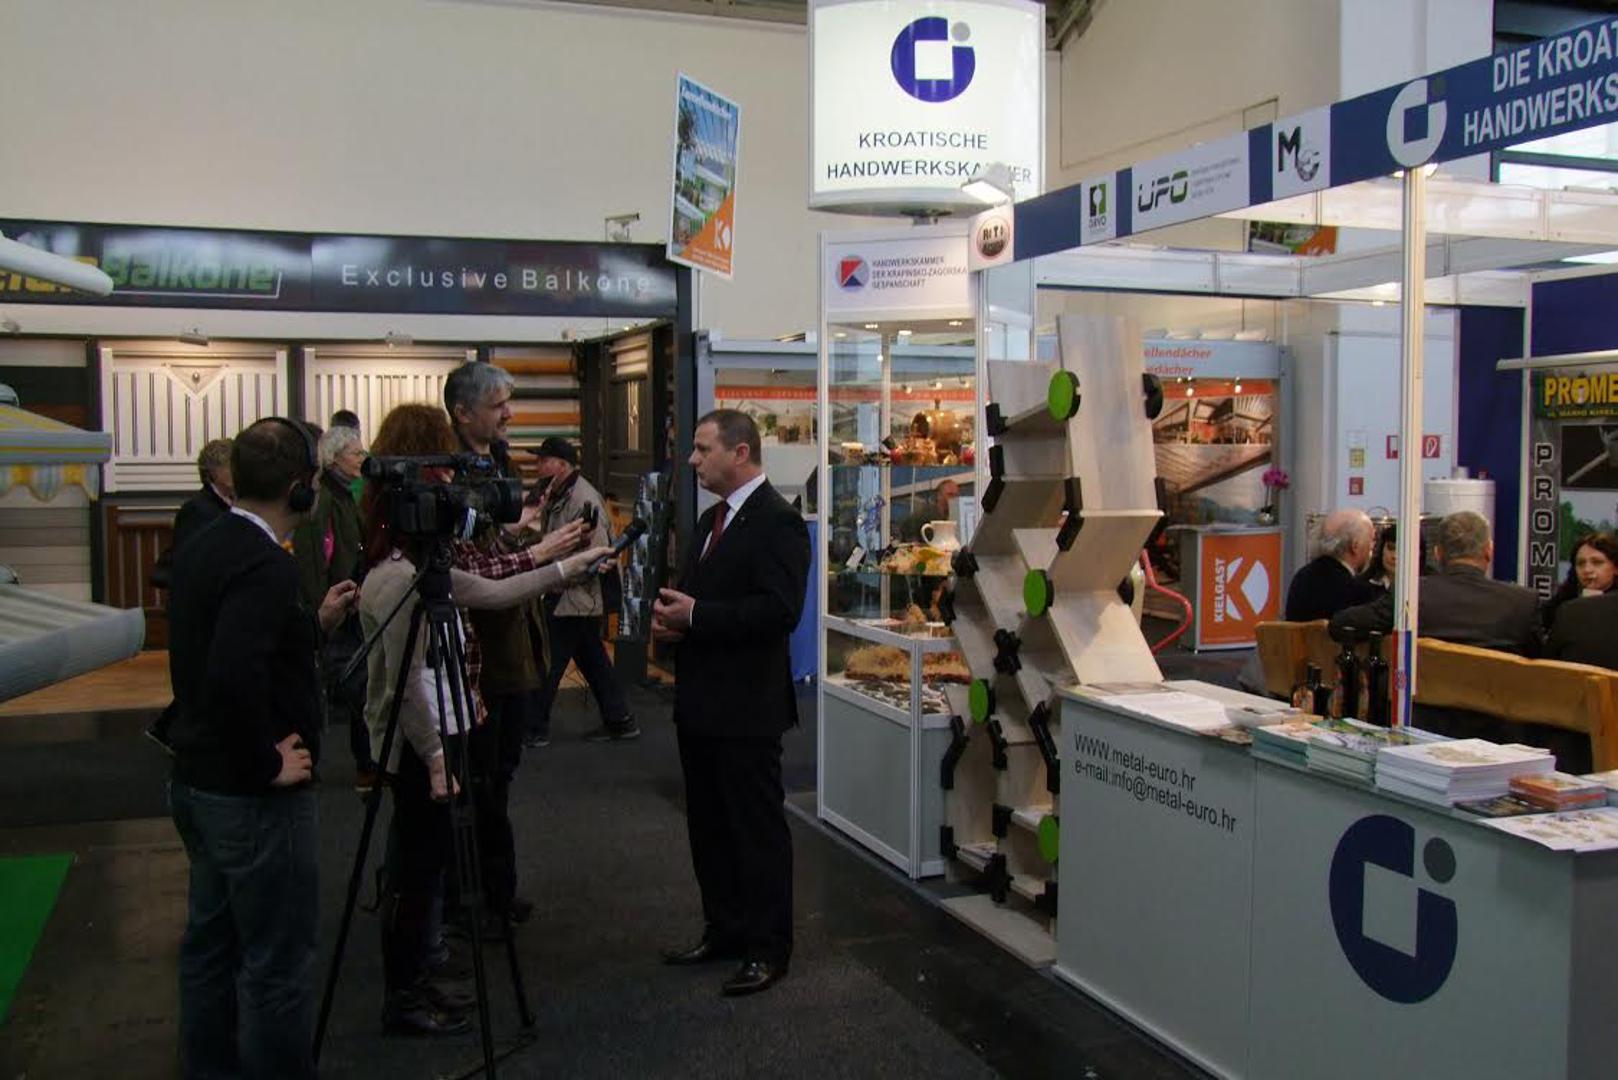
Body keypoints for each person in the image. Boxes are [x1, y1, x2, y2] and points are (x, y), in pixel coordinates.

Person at [359, 403, 606, 1037]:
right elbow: (407, 688)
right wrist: (435, 757)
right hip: (423, 746)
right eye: (440, 472)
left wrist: (565, 567)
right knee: (416, 870)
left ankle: (420, 974)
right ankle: (405, 992)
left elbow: (491, 591)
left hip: (448, 729)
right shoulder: (396, 575)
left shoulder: (422, 564)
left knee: (430, 861)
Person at [165, 417, 360, 1080]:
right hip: (249, 799)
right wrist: (265, 762)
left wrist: (313, 625)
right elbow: (232, 672)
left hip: (198, 781)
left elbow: (233, 646)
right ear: (302, 489)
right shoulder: (265, 565)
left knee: (210, 948)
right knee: (276, 963)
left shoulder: (205, 542)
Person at [653, 409, 810, 997]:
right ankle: (724, 930)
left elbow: (778, 611)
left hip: (747, 709)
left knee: (755, 831)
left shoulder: (779, 522)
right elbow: (704, 601)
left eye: (702, 449)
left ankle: (768, 948)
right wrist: (676, 624)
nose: (692, 460)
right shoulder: (709, 520)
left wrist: (695, 616)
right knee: (710, 828)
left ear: (740, 453)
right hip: (700, 704)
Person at [444, 362, 548, 928]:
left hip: (510, 645)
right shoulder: (451, 474)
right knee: (478, 779)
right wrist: (539, 552)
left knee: (499, 774)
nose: (509, 413)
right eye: (498, 404)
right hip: (476, 654)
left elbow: (491, 547)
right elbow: (471, 565)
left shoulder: (497, 464)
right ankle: (475, 899)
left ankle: (494, 892)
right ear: (463, 413)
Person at [524, 435, 636, 747]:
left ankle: (534, 728)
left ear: (561, 465)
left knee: (548, 661)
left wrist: (556, 578)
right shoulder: (558, 494)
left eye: (543, 460)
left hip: (574, 594)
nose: (537, 466)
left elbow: (597, 555)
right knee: (591, 658)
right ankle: (620, 719)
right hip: (570, 592)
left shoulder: (583, 499)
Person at [292, 424, 375, 791]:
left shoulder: (342, 496)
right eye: (355, 453)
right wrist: (323, 612)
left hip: (348, 603)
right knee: (355, 686)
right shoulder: (324, 501)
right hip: (337, 609)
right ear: (335, 458)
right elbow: (314, 562)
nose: (361, 458)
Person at [1330, 511, 1540, 655]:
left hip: (1421, 706)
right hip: (1497, 709)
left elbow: (1340, 625)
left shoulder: (1412, 594)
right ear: (1489, 551)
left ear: (1438, 554)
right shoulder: (1523, 603)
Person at [1284, 508, 1377, 621]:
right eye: (1371, 540)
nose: (1373, 546)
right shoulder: (1357, 591)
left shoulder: (1301, 577)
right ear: (1355, 546)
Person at [1539, 531, 1618, 632]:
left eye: (1597, 562)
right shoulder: (1564, 604)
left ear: (1615, 568)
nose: (1587, 570)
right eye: (1581, 563)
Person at [171, 438, 235, 552]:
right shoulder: (194, 509)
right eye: (229, 466)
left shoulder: (239, 501)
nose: (236, 471)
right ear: (211, 472)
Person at [898, 477, 960, 543]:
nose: (954, 498)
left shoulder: (955, 517)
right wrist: (915, 544)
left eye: (956, 495)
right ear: (939, 496)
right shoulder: (926, 514)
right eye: (950, 495)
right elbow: (906, 526)